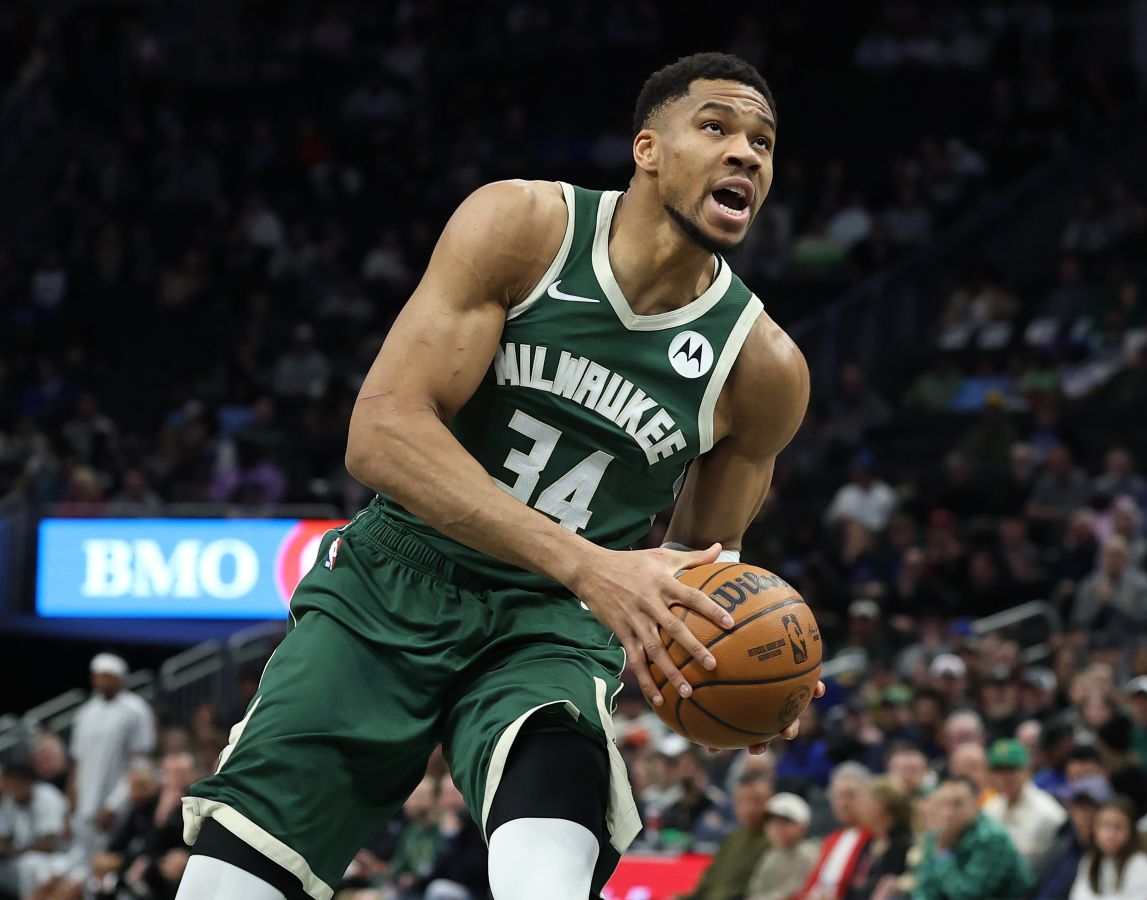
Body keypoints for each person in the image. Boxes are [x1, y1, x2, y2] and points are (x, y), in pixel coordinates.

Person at [175, 52, 821, 900]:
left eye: (763, 143)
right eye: (716, 127)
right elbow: (381, 434)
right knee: (227, 890)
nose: (745, 153)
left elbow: (700, 572)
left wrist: (738, 674)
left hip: (550, 630)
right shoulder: (527, 227)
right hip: (391, 584)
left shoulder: (762, 367)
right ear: (647, 149)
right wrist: (588, 564)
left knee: (545, 879)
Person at [70, 653, 156, 864]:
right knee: (84, 863)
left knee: (110, 858)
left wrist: (115, 804)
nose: (102, 681)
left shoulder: (136, 709)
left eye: (107, 676)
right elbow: (79, 760)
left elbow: (141, 760)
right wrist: (72, 799)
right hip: (85, 802)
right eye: (98, 676)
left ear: (119, 679)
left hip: (119, 801)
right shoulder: (85, 713)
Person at [909, 776, 1033, 900]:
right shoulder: (935, 834)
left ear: (975, 804)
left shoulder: (991, 837)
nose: (948, 812)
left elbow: (969, 895)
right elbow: (925, 888)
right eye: (943, 803)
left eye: (957, 804)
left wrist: (944, 854)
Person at [676, 775, 772, 900]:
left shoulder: (773, 842)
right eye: (741, 802)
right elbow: (707, 882)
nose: (749, 808)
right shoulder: (733, 838)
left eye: (756, 801)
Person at [983, 738, 1067, 867]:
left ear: (1027, 770)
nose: (1004, 778)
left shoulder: (1048, 812)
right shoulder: (991, 807)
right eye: (999, 772)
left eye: (1011, 771)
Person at [798, 763, 873, 900]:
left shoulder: (873, 838)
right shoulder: (831, 840)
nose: (844, 804)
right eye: (838, 796)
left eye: (850, 795)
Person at [0, 763, 70, 898]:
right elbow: (4, 838)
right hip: (21, 859)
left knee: (30, 865)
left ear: (27, 782)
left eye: (16, 784)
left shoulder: (46, 795)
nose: (12, 789)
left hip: (59, 859)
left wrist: (12, 851)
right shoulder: (9, 800)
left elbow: (50, 845)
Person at [1069, 799, 1147, 900]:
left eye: (1118, 827)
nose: (1110, 835)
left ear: (1131, 831)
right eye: (1105, 825)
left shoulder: (1140, 864)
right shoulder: (1090, 860)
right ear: (1095, 828)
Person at [842, 778, 912, 900]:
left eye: (864, 802)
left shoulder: (902, 844)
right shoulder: (869, 841)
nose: (857, 807)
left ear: (880, 806)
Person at [745, 792, 816, 900]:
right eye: (772, 822)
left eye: (785, 822)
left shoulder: (807, 854)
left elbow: (793, 893)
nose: (777, 828)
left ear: (802, 827)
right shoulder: (770, 854)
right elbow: (753, 891)